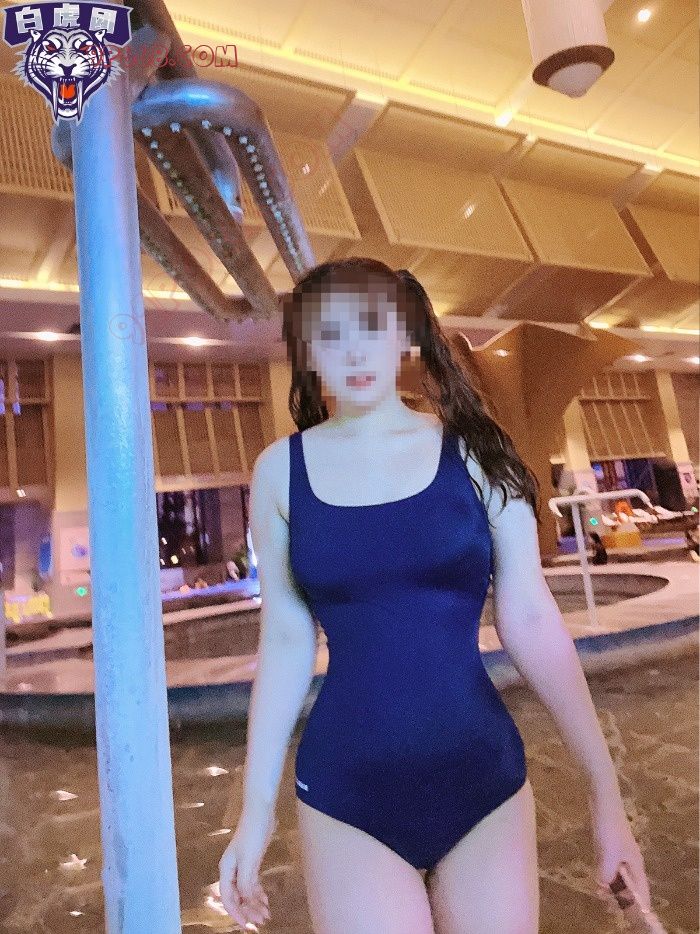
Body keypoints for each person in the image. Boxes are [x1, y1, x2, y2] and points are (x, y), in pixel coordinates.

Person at [218, 258, 651, 932]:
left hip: (482, 783)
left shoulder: (477, 453)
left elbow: (531, 619)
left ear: (404, 333)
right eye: (330, 335)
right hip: (347, 793)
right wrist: (254, 813)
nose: (354, 351)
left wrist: (604, 791)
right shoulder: (280, 473)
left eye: (371, 326)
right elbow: (284, 640)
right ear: (307, 353)